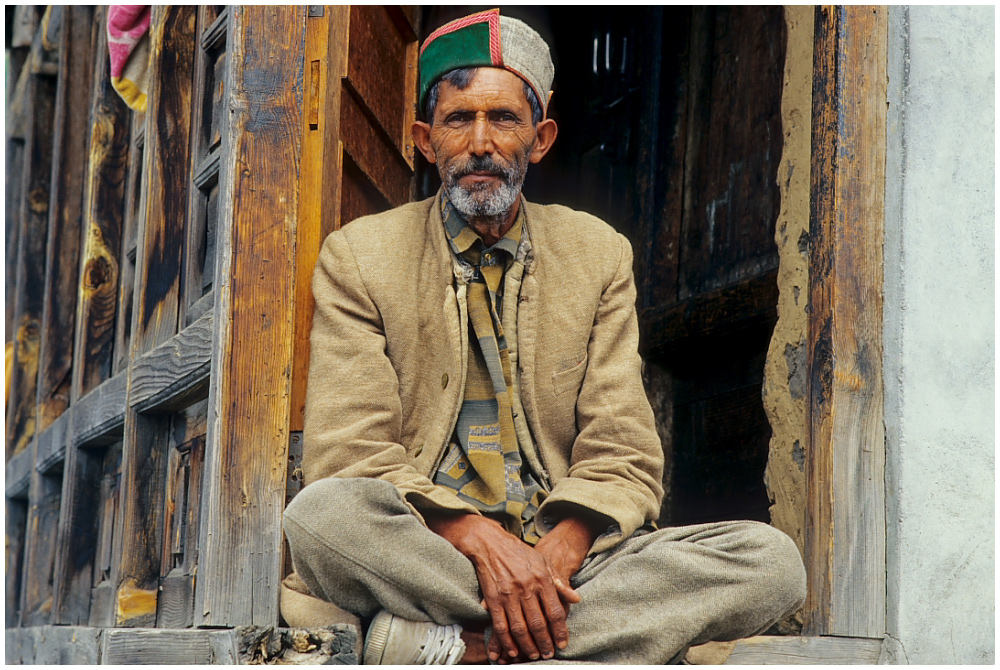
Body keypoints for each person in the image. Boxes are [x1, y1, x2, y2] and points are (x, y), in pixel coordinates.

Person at [284, 9, 806, 665]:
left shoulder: (598, 254)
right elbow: (348, 452)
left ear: (541, 137)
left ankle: (463, 646)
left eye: (503, 119)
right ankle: (564, 639)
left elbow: (623, 452)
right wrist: (478, 536)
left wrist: (558, 549)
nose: (480, 143)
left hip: (571, 567)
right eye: (457, 120)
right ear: (424, 139)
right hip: (433, 549)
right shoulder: (359, 257)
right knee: (321, 517)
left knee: (771, 561)